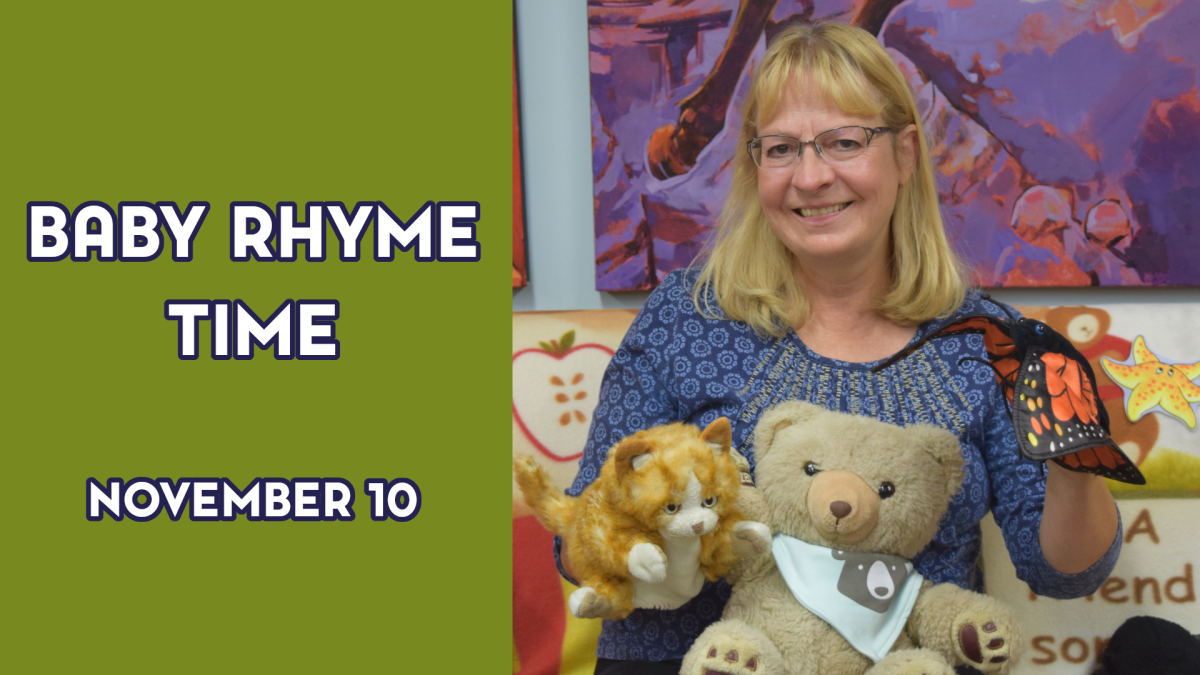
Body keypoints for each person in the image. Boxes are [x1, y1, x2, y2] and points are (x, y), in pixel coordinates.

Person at [557, 21, 1121, 675]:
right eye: (781, 149)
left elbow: (1061, 572)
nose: (812, 176)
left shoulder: (987, 343)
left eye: (843, 142)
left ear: (906, 153)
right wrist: (648, 534)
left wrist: (1076, 457)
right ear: (754, 165)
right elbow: (574, 547)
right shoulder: (686, 318)